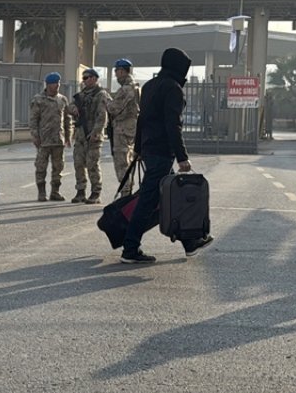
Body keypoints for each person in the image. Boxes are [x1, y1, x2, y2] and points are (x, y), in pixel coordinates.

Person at [121, 48, 214, 264]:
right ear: (178, 67)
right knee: (147, 201)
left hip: (150, 149)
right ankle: (130, 248)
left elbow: (141, 120)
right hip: (162, 152)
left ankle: (190, 243)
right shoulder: (173, 89)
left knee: (173, 198)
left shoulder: (150, 86)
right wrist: (182, 156)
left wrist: (138, 148)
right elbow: (173, 125)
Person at [67, 68, 111, 204]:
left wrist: (96, 132)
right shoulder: (81, 95)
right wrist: (72, 109)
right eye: (84, 78)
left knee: (92, 164)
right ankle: (80, 191)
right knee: (78, 163)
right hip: (80, 135)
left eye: (87, 78)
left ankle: (95, 192)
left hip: (93, 135)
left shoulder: (101, 94)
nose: (84, 80)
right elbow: (70, 106)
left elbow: (102, 116)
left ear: (94, 78)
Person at [29, 72, 73, 202]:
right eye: (55, 84)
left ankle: (55, 192)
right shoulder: (38, 100)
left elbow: (67, 120)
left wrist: (68, 136)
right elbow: (33, 120)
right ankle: (41, 193)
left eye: (58, 84)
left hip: (58, 140)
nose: (57, 86)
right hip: (44, 140)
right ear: (48, 85)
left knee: (58, 168)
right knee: (41, 167)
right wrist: (35, 136)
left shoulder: (63, 100)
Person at [105, 58, 140, 196]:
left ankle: (125, 194)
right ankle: (127, 191)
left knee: (122, 163)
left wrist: (107, 101)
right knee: (128, 161)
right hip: (130, 129)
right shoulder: (136, 87)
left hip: (122, 129)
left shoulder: (126, 89)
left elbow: (114, 108)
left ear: (122, 71)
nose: (116, 75)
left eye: (117, 71)